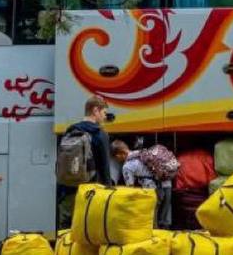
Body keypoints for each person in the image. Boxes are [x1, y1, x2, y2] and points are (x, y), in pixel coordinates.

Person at [57, 96, 115, 227]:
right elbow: (104, 167)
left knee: (66, 231)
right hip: (90, 193)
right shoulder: (100, 134)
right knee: (89, 231)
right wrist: (109, 192)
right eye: (104, 113)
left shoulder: (70, 130)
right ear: (95, 110)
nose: (105, 117)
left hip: (67, 192)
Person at [112, 139, 175, 228]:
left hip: (152, 190)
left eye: (116, 157)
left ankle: (155, 237)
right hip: (164, 185)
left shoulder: (127, 166)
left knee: (152, 218)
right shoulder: (141, 153)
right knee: (164, 218)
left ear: (120, 154)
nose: (116, 160)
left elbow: (130, 188)